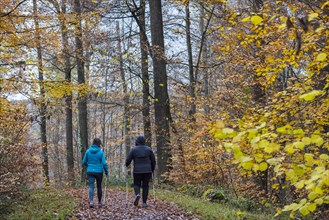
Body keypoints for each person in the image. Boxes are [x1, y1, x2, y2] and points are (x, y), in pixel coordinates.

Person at [125, 136, 156, 208]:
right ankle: (144, 202)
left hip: (137, 171)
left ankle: (137, 194)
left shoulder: (133, 150)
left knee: (136, 184)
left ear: (137, 141)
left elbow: (128, 160)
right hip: (147, 170)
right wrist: (152, 169)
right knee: (145, 186)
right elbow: (153, 161)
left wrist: (127, 164)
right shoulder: (149, 150)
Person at [82, 138, 108, 208]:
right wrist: (106, 172)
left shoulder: (88, 151)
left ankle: (91, 202)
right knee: (99, 186)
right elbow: (104, 163)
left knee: (91, 186)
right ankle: (99, 202)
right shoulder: (101, 152)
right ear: (99, 144)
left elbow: (83, 162)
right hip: (99, 172)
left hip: (90, 171)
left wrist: (89, 166)